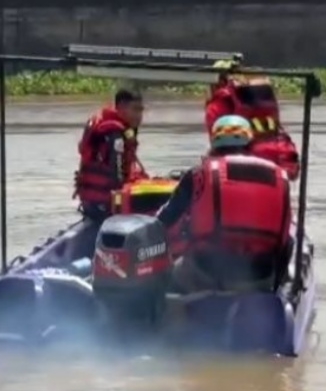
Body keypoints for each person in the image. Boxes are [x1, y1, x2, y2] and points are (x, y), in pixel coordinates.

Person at [156, 116, 293, 293]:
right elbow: (285, 237)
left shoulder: (199, 174)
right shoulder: (279, 176)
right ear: (250, 145)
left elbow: (165, 219)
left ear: (214, 145)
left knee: (165, 281)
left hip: (206, 272)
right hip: (261, 275)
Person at [205, 72, 300, 180]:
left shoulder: (219, 103)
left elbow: (218, 143)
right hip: (282, 157)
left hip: (245, 164)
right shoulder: (264, 94)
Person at [74, 88, 149, 222]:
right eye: (135, 109)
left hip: (89, 202)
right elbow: (117, 179)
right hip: (104, 206)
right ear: (121, 108)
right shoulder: (116, 136)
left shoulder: (112, 128)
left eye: (141, 110)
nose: (139, 115)